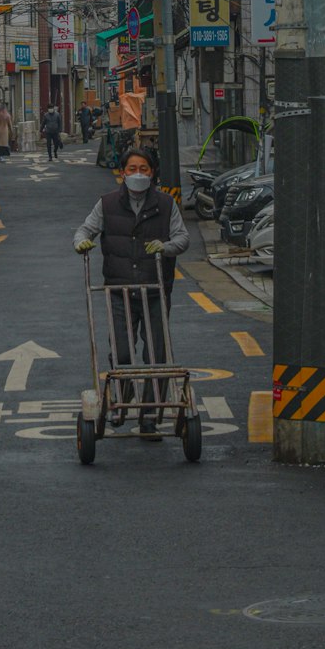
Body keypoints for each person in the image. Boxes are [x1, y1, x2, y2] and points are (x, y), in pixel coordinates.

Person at [74, 146, 189, 434]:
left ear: (152, 173)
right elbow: (85, 229)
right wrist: (81, 242)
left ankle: (150, 415)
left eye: (144, 169)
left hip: (155, 289)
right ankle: (120, 401)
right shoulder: (108, 204)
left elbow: (182, 237)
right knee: (122, 352)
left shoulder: (165, 204)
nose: (138, 174)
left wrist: (165, 246)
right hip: (119, 289)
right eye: (132, 169)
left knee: (156, 355)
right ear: (122, 173)